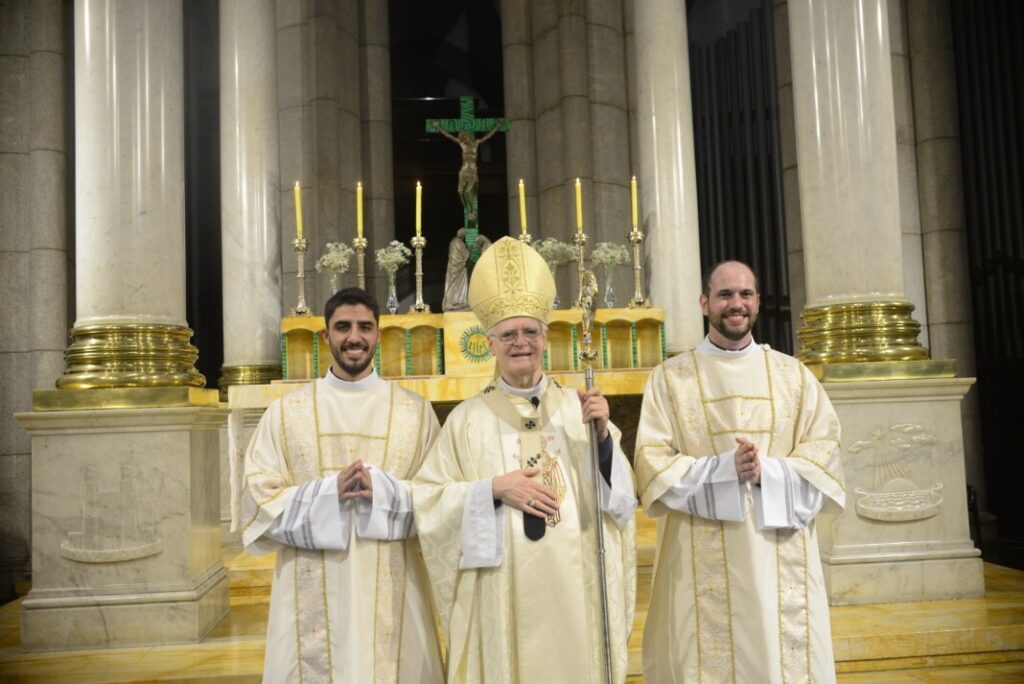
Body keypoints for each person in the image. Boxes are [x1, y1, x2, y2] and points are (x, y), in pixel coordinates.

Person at [412, 237, 637, 683]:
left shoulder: (582, 410)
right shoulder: (466, 422)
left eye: (530, 332)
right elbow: (428, 501)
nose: (521, 343)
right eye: (508, 334)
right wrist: (492, 489)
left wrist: (604, 442)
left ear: (545, 338)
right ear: (490, 343)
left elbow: (622, 505)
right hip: (502, 594)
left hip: (577, 594)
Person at [635, 260, 846, 683]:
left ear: (758, 303)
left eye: (745, 294)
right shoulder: (671, 379)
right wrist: (721, 470)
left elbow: (826, 452)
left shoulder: (794, 376)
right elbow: (651, 461)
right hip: (699, 554)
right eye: (725, 295)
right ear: (704, 303)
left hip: (778, 551)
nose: (736, 304)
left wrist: (767, 471)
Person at [239, 288, 443, 683]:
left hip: (394, 582)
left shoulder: (414, 414)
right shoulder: (286, 413)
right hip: (309, 582)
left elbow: (440, 497)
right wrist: (326, 494)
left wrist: (382, 491)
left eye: (365, 327)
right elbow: (256, 498)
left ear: (379, 336)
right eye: (343, 327)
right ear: (325, 337)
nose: (354, 337)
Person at [428, 120, 502, 216]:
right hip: (463, 170)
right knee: (460, 191)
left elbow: (487, 136)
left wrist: (497, 127)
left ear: (467, 136)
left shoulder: (476, 143)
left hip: (472, 171)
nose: (463, 139)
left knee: (467, 192)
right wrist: (438, 127)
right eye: (462, 138)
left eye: (464, 137)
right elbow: (448, 136)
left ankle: (471, 211)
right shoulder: (462, 144)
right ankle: (468, 210)